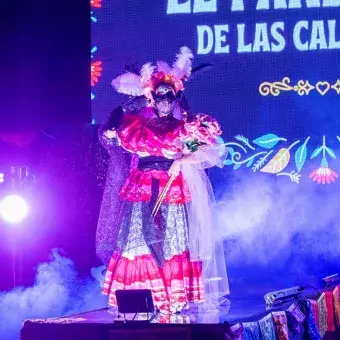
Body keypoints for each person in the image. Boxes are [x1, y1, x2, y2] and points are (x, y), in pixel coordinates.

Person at [96, 47, 229, 314]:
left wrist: (182, 161)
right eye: (160, 95)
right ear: (152, 97)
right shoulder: (136, 125)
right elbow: (110, 137)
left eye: (170, 95)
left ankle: (171, 297)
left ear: (177, 96)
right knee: (138, 240)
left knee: (171, 241)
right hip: (142, 187)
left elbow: (209, 150)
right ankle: (138, 296)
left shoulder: (186, 127)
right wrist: (111, 127)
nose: (165, 99)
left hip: (171, 187)